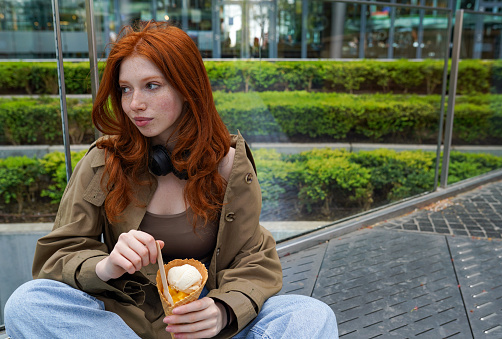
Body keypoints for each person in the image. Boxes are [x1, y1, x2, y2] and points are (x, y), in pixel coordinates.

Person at [4, 21, 338, 339]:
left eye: (152, 86)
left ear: (187, 87)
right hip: (125, 321)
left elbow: (254, 258)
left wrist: (223, 309)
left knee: (310, 314)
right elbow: (57, 254)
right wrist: (106, 266)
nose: (135, 104)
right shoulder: (103, 163)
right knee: (28, 302)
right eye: (125, 89)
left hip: (206, 322)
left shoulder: (229, 166)